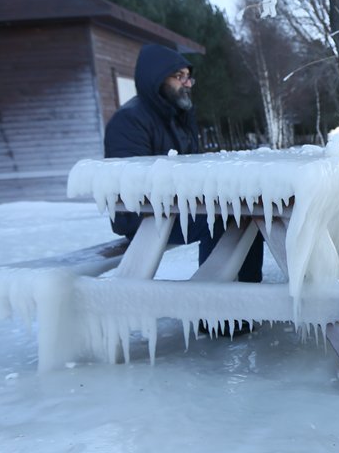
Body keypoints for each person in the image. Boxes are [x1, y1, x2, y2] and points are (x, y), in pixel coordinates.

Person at [105, 43, 263, 284]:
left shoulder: (179, 117)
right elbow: (129, 187)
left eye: (188, 77)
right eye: (179, 77)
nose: (187, 84)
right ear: (155, 78)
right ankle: (216, 314)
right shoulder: (129, 121)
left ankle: (245, 298)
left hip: (178, 208)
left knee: (250, 211)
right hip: (144, 217)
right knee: (220, 217)